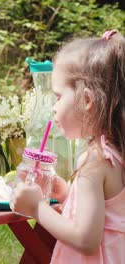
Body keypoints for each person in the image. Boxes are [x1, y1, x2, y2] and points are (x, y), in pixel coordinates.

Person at [11, 29, 124, 263]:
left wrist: (36, 208)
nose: (54, 106)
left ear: (87, 101)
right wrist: (66, 195)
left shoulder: (95, 161)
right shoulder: (116, 154)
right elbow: (106, 219)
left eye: (59, 97)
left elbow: (86, 239)